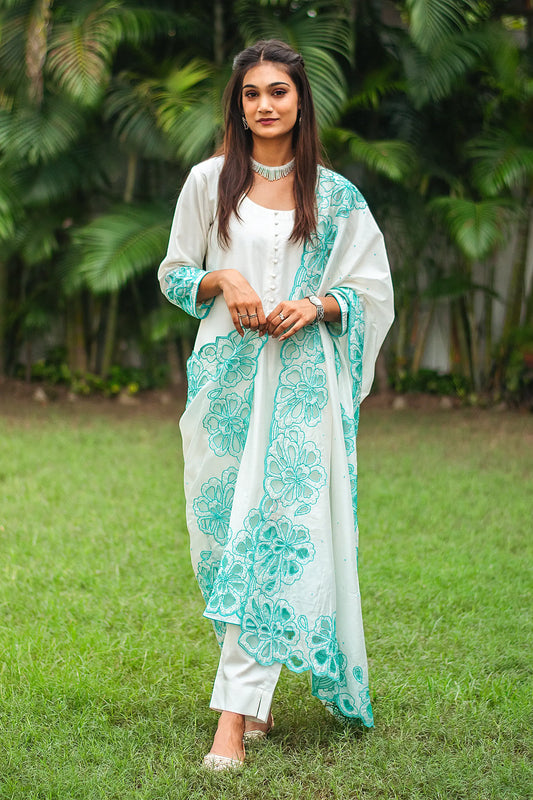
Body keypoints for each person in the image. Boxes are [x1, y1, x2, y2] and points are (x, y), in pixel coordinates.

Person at [158, 39, 394, 771]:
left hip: (300, 394)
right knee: (228, 542)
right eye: (252, 92)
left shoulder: (334, 196)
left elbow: (373, 289)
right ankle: (254, 699)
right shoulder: (207, 182)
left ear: (299, 102)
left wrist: (319, 304)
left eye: (279, 92)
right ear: (238, 103)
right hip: (227, 388)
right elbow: (172, 274)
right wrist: (222, 281)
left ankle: (230, 720)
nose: (264, 103)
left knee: (272, 536)